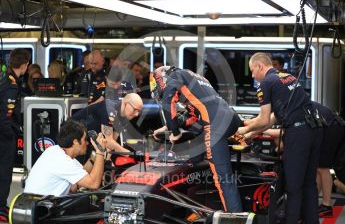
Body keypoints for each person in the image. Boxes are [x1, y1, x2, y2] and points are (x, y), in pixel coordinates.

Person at [237, 53, 323, 223]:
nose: (253, 76)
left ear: (260, 66)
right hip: (314, 130)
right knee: (308, 184)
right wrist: (251, 131)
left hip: (298, 134)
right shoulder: (287, 76)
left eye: (253, 71)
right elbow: (275, 116)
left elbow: (263, 119)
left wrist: (239, 130)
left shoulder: (265, 83)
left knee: (293, 186)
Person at [151, 66, 243, 212]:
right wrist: (167, 127)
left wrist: (174, 132)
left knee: (223, 180)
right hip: (231, 118)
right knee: (197, 146)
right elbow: (193, 118)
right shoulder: (193, 77)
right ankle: (196, 162)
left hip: (216, 125)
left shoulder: (176, 75)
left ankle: (234, 219)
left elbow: (168, 102)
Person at [24, 119, 106, 196]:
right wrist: (100, 151)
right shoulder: (62, 160)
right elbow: (94, 183)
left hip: (36, 203)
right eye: (85, 140)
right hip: (40, 208)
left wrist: (95, 155)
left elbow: (82, 174)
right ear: (75, 142)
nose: (87, 143)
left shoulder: (56, 151)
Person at [0, 48, 31, 222]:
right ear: (25, 65)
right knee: (4, 173)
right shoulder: (11, 85)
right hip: (4, 138)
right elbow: (5, 117)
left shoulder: (4, 78)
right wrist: (12, 134)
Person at [72, 93, 143, 154]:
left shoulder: (125, 117)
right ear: (125, 103)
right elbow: (108, 141)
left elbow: (112, 142)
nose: (136, 114)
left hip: (89, 138)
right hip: (74, 132)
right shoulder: (110, 108)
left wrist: (107, 159)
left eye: (139, 111)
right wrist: (129, 153)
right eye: (135, 109)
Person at [313, 102, 345, 218]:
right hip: (331, 126)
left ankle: (326, 206)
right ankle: (314, 202)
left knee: (323, 168)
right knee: (318, 167)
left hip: (332, 127)